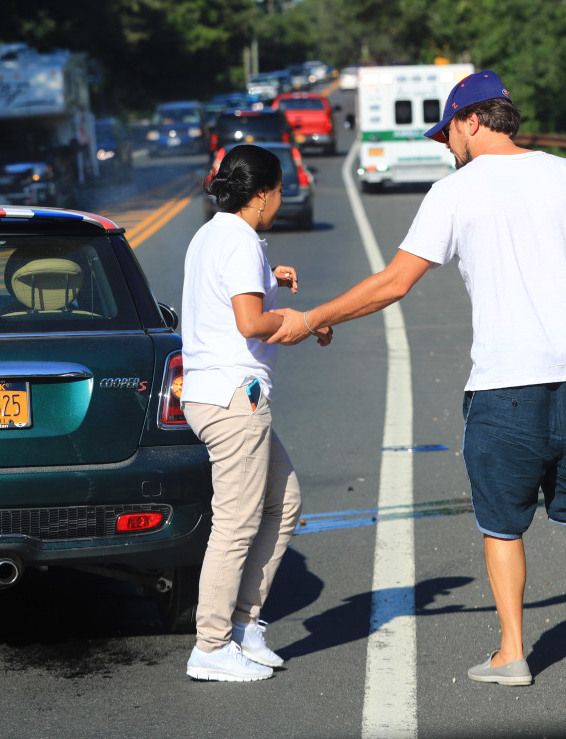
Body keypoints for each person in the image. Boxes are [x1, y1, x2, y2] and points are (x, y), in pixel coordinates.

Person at [268, 71, 566, 686]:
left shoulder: (456, 192)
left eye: (447, 134)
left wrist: (313, 317)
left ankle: (514, 653)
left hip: (504, 386)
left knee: (502, 521)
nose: (446, 147)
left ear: (470, 120)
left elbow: (393, 283)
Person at [181, 144, 332, 682]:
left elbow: (232, 298)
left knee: (283, 501)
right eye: (281, 189)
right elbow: (249, 323)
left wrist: (270, 278)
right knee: (237, 522)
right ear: (262, 193)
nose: (283, 197)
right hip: (234, 399)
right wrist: (302, 318)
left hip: (208, 392)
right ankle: (211, 644)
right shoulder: (241, 242)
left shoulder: (214, 234)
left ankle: (244, 624)